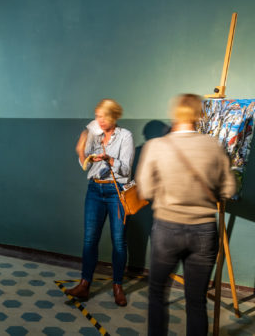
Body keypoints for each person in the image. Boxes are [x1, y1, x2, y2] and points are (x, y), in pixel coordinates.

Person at [136, 94, 236, 336]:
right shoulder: (213, 145)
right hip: (204, 231)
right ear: (199, 114)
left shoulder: (156, 146)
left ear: (175, 113)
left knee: (157, 293)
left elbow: (145, 190)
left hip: (167, 228)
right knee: (196, 300)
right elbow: (229, 190)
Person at [68, 99, 135, 306]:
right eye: (97, 116)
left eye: (104, 116)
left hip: (116, 192)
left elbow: (126, 169)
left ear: (113, 116)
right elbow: (85, 166)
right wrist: (81, 151)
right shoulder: (94, 134)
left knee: (119, 241)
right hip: (95, 190)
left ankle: (117, 286)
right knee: (90, 240)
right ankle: (84, 284)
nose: (100, 120)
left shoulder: (125, 136)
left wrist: (108, 159)